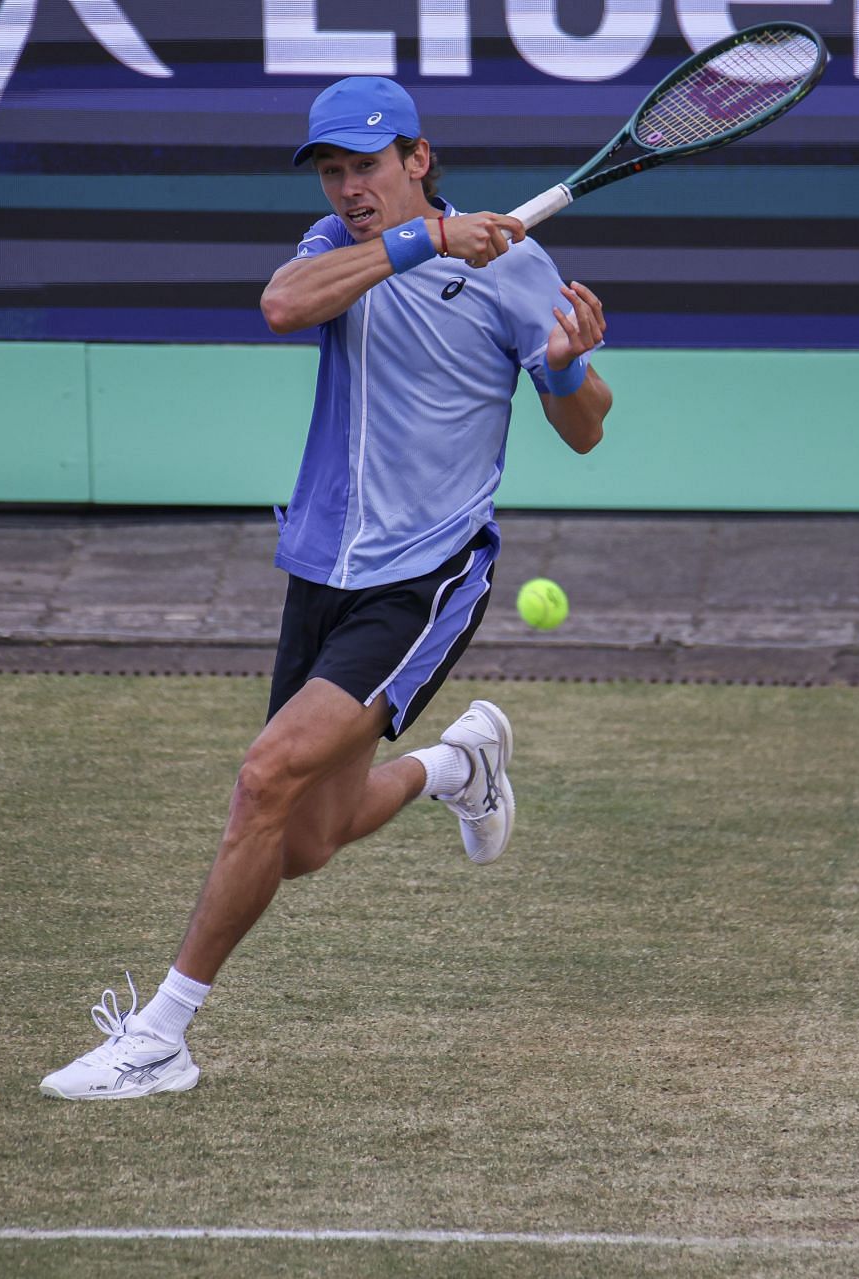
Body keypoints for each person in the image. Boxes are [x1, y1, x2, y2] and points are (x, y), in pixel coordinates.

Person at [40, 75, 614, 1100]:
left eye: (368, 166)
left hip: (425, 578)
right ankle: (457, 767)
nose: (350, 187)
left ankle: (162, 1036)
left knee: (265, 777)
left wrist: (568, 367)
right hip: (322, 569)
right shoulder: (334, 252)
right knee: (304, 838)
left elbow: (583, 428)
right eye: (335, 171)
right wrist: (426, 244)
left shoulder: (517, 267)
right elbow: (279, 306)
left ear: (418, 159)